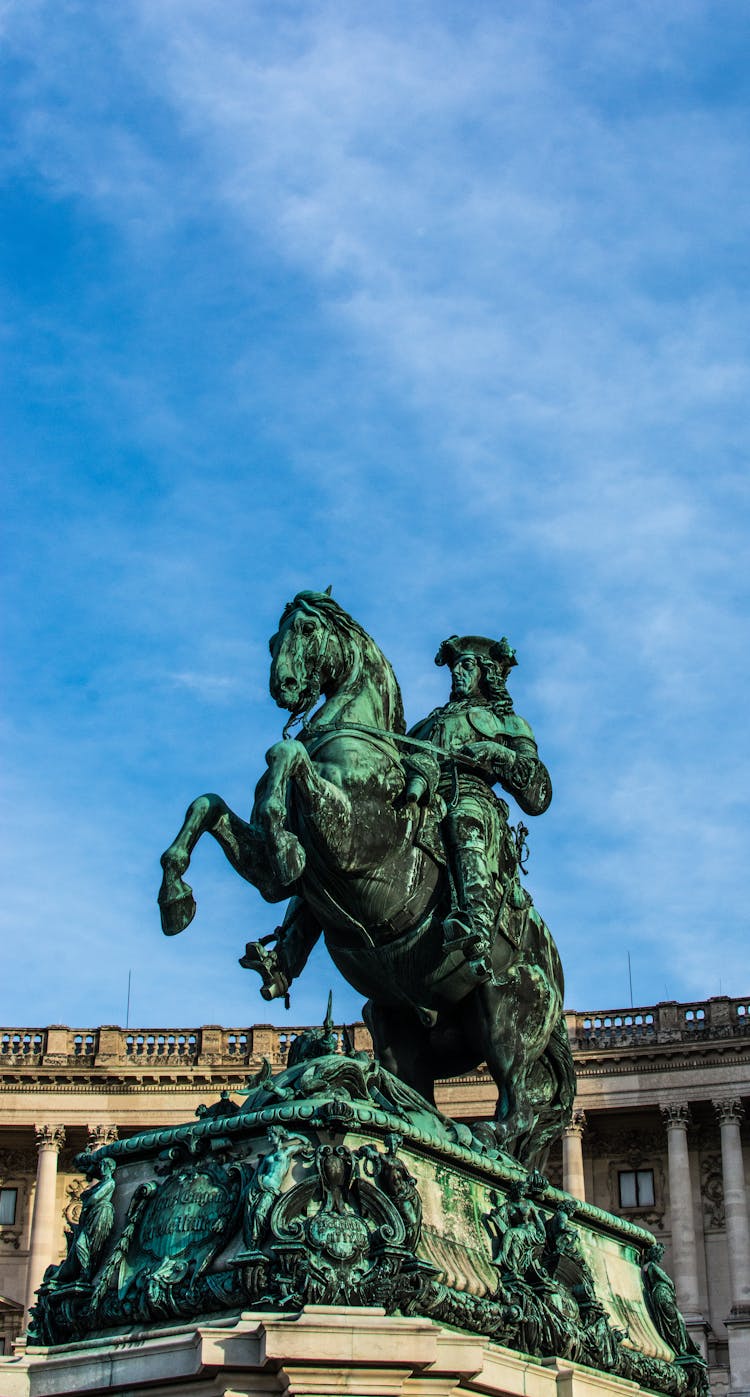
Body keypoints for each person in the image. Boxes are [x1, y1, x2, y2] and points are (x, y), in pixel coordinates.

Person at [404, 635, 551, 983]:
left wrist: (497, 753)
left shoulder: (509, 724)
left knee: (462, 818)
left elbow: (539, 794)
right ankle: (288, 948)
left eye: (466, 666)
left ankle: (477, 920)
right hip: (420, 798)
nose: (457, 673)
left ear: (486, 673)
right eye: (454, 666)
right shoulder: (424, 725)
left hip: (471, 797)